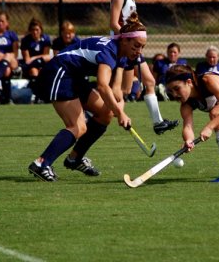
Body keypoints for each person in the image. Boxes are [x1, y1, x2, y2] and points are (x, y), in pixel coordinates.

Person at [28, 12, 146, 182]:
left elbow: (116, 90)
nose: (139, 51)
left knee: (106, 113)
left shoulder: (122, 53)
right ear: (125, 40)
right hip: (60, 72)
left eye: (142, 47)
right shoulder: (110, 51)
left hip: (74, 76)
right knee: (78, 127)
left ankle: (75, 158)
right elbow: (102, 86)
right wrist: (121, 114)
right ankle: (41, 163)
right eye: (136, 45)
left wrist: (119, 109)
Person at [109, 0, 179, 134]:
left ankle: (158, 122)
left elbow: (130, 22)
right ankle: (93, 116)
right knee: (124, 91)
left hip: (132, 46)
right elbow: (113, 23)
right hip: (124, 46)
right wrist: (129, 38)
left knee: (149, 82)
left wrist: (138, 33)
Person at [20, 18, 52, 101]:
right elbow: (27, 60)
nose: (35, 32)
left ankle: (45, 95)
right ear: (30, 31)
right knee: (34, 71)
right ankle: (36, 95)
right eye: (33, 30)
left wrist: (34, 57)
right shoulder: (26, 40)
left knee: (44, 69)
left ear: (41, 30)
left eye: (37, 30)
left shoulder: (46, 39)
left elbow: (46, 56)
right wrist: (35, 60)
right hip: (30, 67)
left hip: (42, 64)